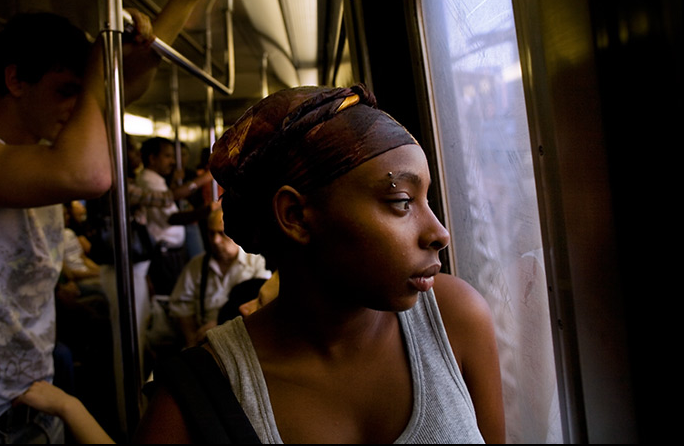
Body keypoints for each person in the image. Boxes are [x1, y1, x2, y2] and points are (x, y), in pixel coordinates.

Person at [0, 0, 231, 444]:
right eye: (64, 90)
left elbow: (119, 88)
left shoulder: (41, 152)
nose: (79, 109)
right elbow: (89, 174)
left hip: (36, 402)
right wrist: (99, 61)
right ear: (15, 79)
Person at [134, 84, 505, 444]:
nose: (439, 233)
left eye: (428, 199)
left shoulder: (456, 318)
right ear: (295, 215)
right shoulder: (191, 402)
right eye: (402, 201)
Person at [169, 206, 272, 348]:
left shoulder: (257, 265)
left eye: (221, 233)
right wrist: (192, 340)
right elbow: (181, 306)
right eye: (211, 234)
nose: (216, 240)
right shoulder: (197, 265)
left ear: (235, 233)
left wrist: (219, 323)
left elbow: (261, 309)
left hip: (244, 342)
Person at [137, 137, 213, 295]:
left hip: (172, 251)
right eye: (168, 156)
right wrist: (206, 211)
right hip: (164, 253)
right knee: (172, 295)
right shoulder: (148, 180)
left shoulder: (157, 180)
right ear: (152, 158)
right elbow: (171, 218)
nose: (173, 161)